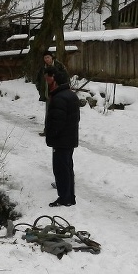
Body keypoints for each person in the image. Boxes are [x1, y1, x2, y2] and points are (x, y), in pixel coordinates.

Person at [44, 67, 80, 207]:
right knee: (67, 168)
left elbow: (57, 122)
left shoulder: (59, 98)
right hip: (69, 139)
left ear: (55, 81)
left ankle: (65, 198)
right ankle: (69, 196)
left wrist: (51, 136)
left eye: (49, 79)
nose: (47, 82)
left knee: (61, 170)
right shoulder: (71, 95)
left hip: (61, 141)